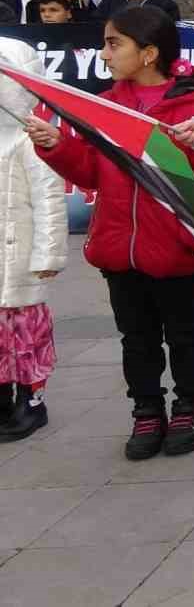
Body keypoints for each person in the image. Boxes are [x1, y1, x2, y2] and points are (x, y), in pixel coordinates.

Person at [26, 6, 194, 460]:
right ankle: (146, 409)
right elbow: (92, 172)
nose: (103, 54)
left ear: (149, 54)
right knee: (136, 337)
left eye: (114, 44)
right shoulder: (107, 104)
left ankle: (189, 404)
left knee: (184, 331)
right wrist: (58, 147)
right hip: (118, 246)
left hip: (174, 245)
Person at [0, 39, 67, 442]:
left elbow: (49, 200)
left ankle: (32, 398)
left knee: (25, 336)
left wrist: (49, 254)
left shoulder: (30, 140)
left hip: (22, 261)